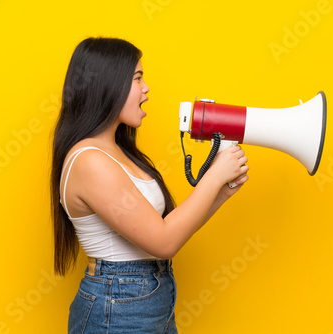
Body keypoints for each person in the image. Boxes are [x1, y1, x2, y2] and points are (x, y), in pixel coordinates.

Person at [51, 36, 249, 333]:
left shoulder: (118, 152)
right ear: (108, 83)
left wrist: (220, 192)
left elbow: (169, 230)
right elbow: (164, 242)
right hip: (118, 304)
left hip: (145, 297)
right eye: (137, 78)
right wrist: (214, 176)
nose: (146, 89)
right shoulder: (89, 161)